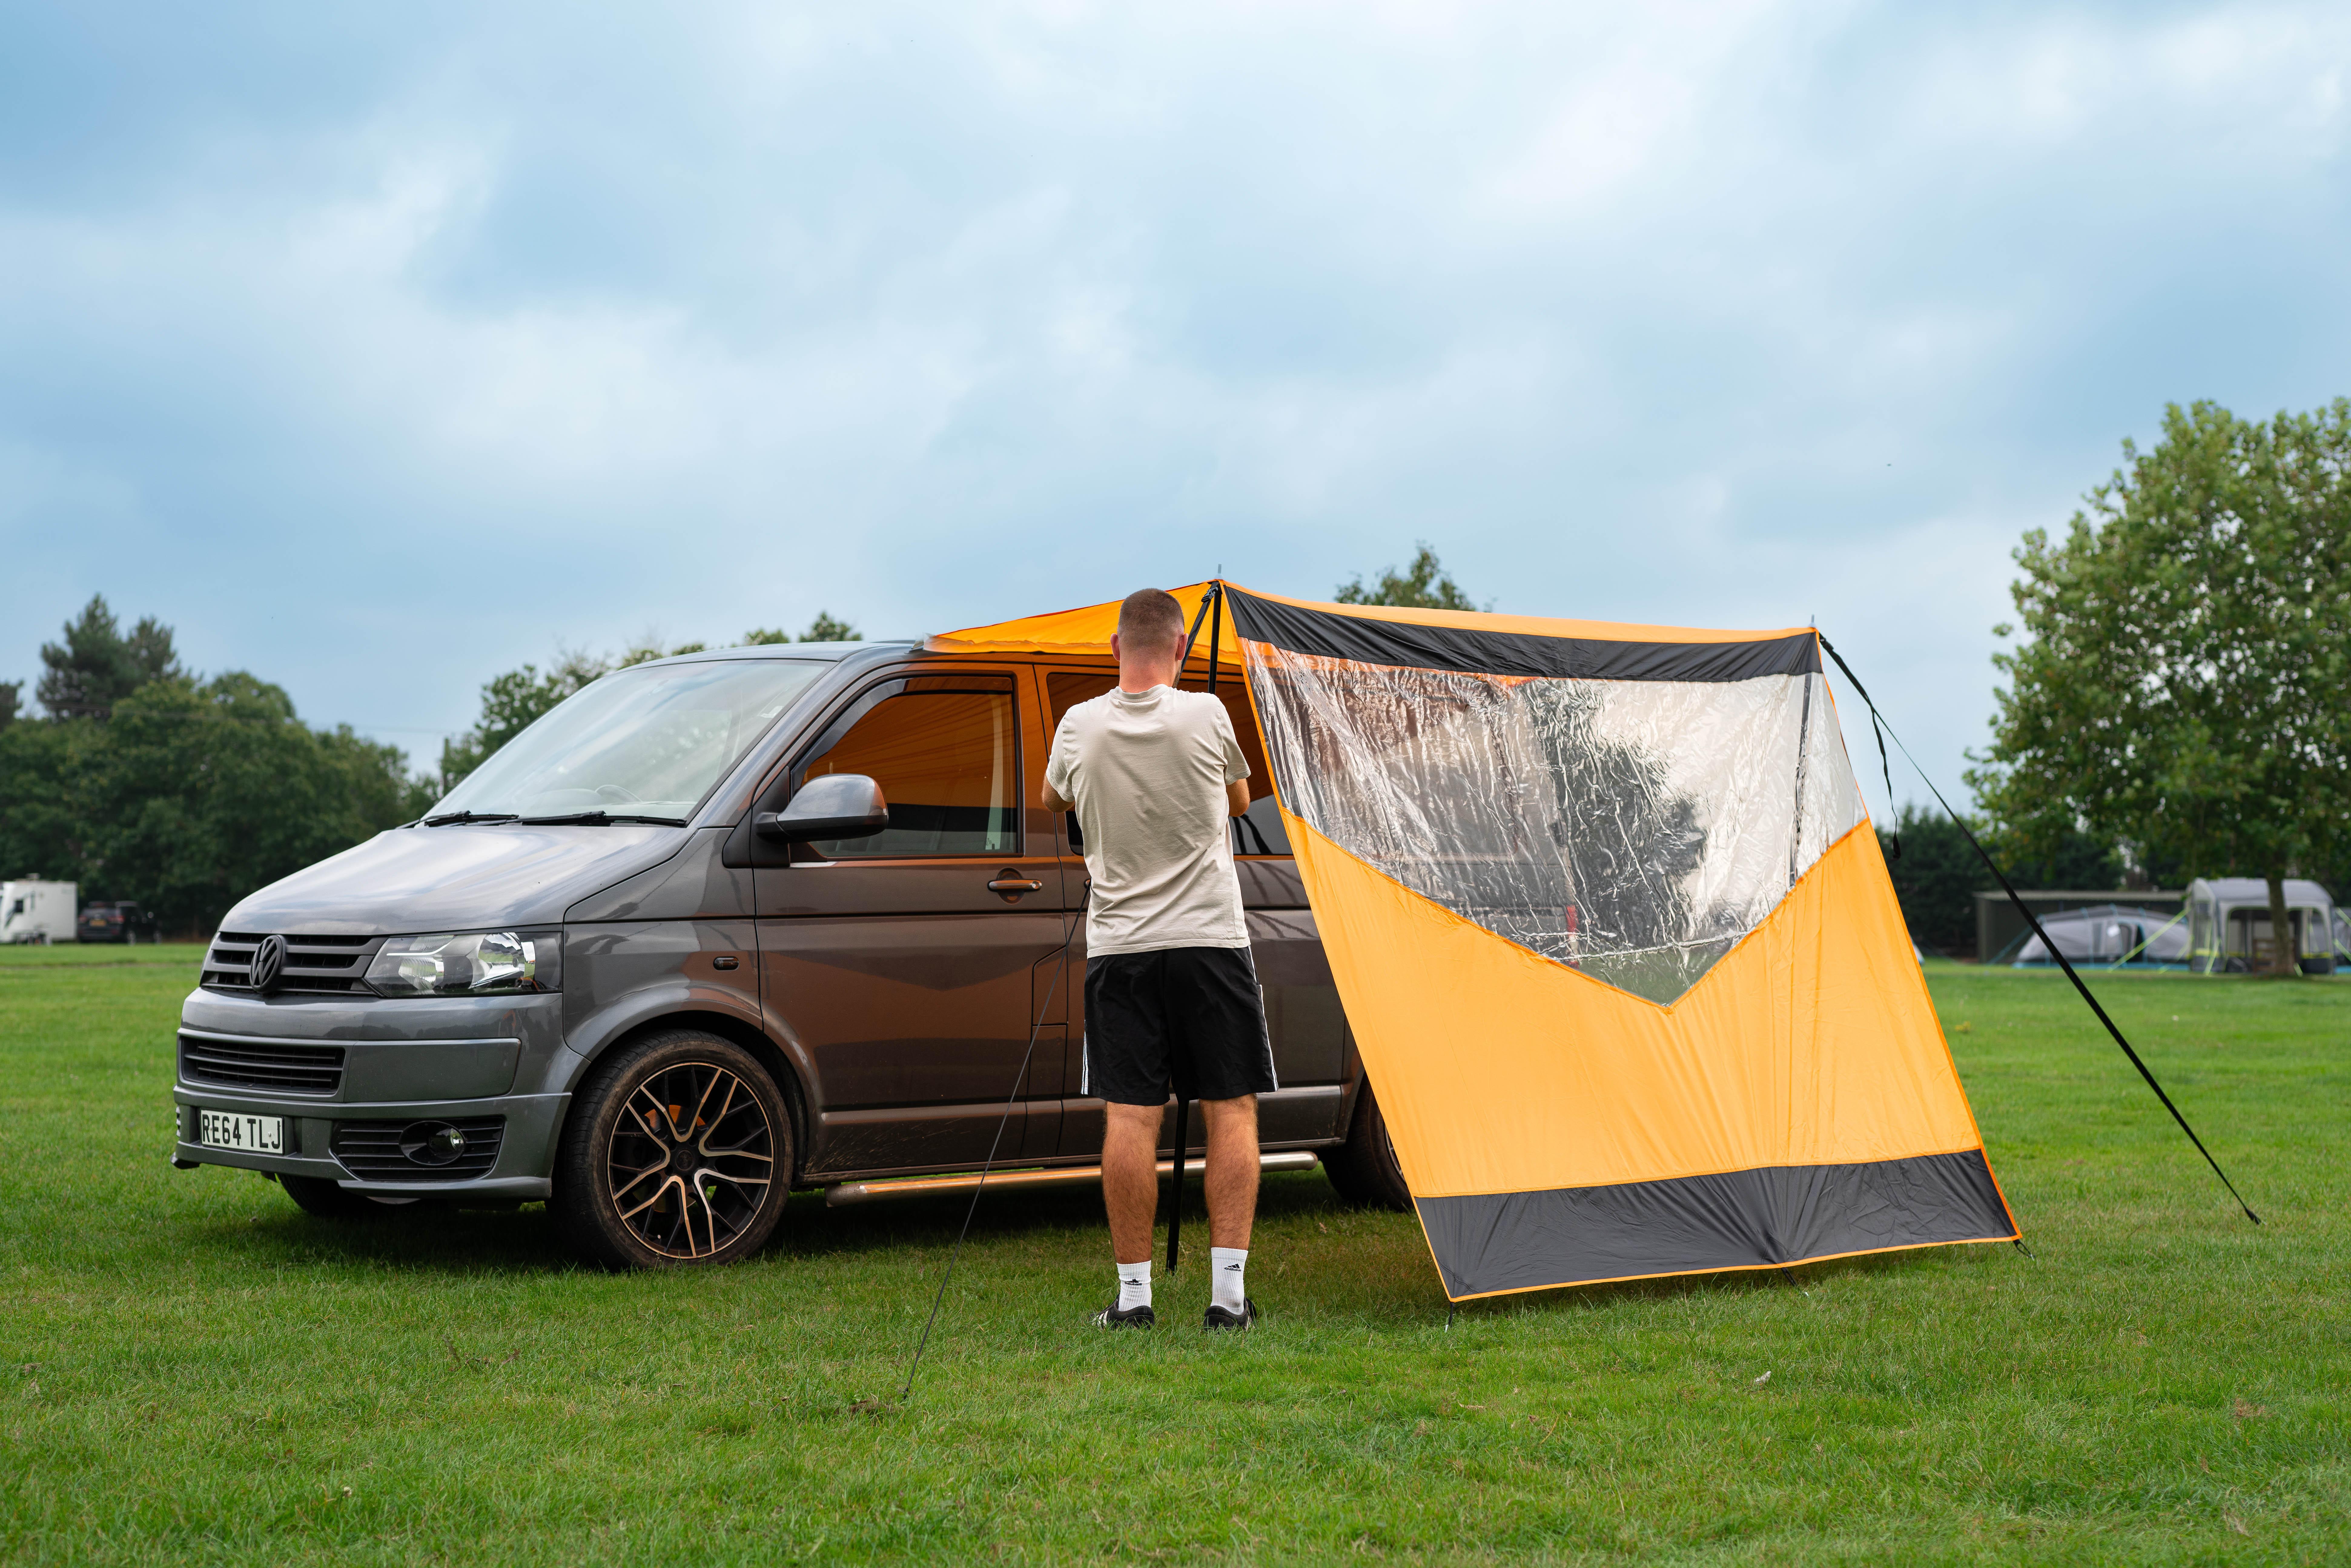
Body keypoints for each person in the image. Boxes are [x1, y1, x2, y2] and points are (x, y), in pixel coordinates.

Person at [1042, 587, 1272, 1331]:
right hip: (1211, 940)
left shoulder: (1078, 726)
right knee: (1231, 1107)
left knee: (1131, 1116)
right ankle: (1228, 1299)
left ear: (1115, 647)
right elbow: (1240, 800)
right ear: (1180, 648)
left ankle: (1134, 1299)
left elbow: (1052, 799)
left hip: (1122, 948)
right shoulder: (1208, 713)